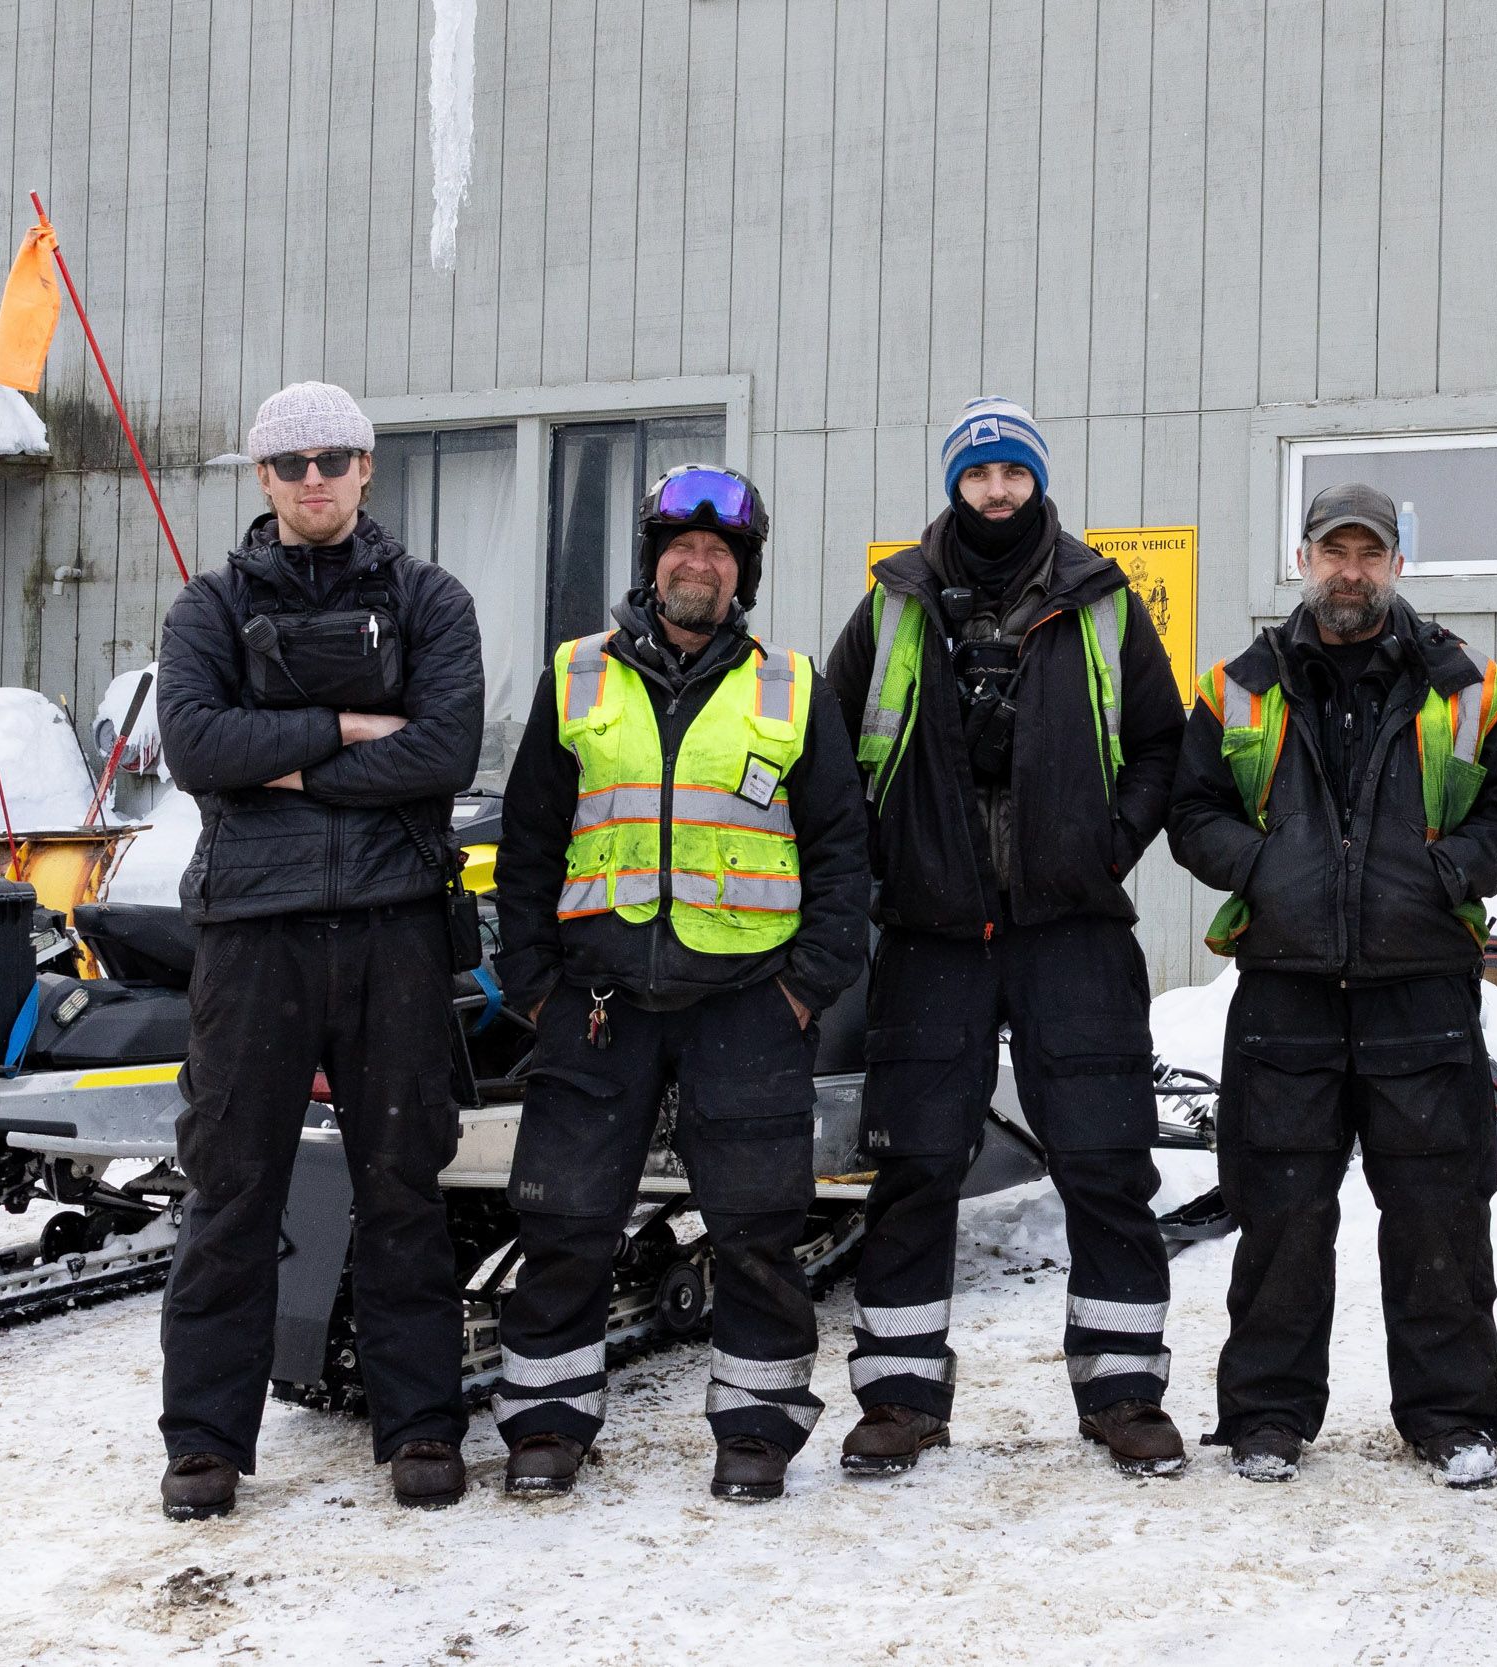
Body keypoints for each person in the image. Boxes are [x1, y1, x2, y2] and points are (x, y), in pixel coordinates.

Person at [489, 465, 870, 1503]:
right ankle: (546, 1422)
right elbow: (527, 846)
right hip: (596, 1002)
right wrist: (532, 984)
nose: (696, 564)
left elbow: (843, 856)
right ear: (651, 564)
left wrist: (805, 988)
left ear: (741, 573)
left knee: (754, 1229)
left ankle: (756, 1427)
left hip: (747, 1003)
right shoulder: (575, 675)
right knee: (563, 1222)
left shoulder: (792, 689)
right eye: (678, 549)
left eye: (717, 552)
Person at [823, 396, 1188, 1477]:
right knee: (914, 1164)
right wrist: (892, 861)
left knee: (1105, 1158)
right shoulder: (892, 602)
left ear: (1036, 480)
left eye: (1011, 473)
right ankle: (898, 1397)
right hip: (932, 930)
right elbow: (837, 753)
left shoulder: (1102, 598)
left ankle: (1123, 1393)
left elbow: (1161, 744)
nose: (995, 491)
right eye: (977, 474)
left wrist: (1104, 847)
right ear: (954, 485)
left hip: (1068, 927)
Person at [155, 381, 485, 1519]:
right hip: (253, 934)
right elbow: (196, 742)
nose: (312, 479)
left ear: (366, 468)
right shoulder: (207, 607)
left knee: (403, 1186)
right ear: (261, 479)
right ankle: (203, 1439)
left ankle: (421, 1426)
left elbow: (443, 748)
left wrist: (277, 762)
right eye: (289, 462)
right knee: (232, 1185)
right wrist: (347, 729)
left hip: (395, 927)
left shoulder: (431, 599)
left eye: (333, 458)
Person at [1167, 482, 1497, 1486]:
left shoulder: (1470, 687)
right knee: (1280, 1217)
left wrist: (1449, 872)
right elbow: (1189, 807)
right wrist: (1262, 865)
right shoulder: (1235, 684)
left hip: (1421, 991)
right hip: (1284, 991)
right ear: (1303, 557)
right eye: (1335, 551)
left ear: (1397, 565)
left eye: (1370, 554)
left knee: (1438, 1218)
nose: (1351, 570)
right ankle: (1266, 1416)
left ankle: (1452, 1416)